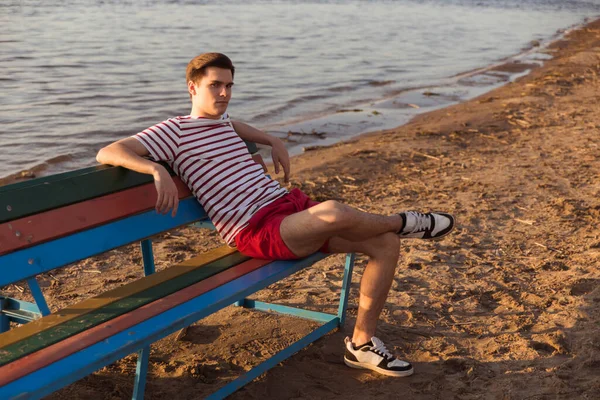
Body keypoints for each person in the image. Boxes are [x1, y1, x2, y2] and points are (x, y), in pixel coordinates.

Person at [96, 52, 455, 378]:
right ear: (192, 87)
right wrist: (156, 171)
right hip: (255, 230)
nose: (223, 93)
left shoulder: (223, 122)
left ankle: (361, 344)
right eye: (215, 85)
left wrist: (273, 141)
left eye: (229, 86)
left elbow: (236, 127)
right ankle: (407, 221)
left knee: (386, 245)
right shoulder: (174, 131)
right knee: (333, 212)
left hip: (287, 212)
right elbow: (109, 151)